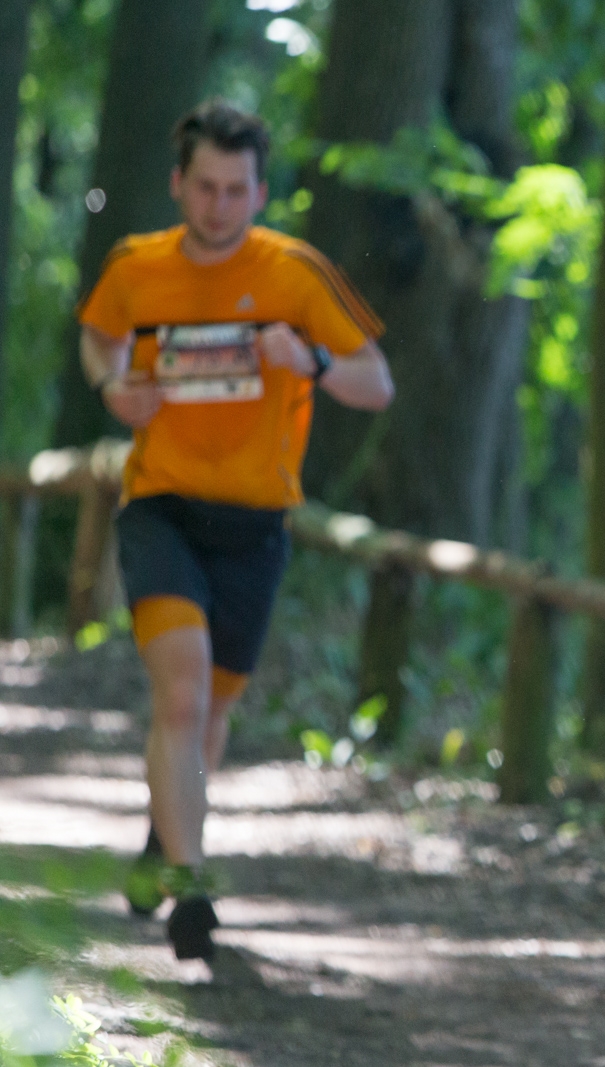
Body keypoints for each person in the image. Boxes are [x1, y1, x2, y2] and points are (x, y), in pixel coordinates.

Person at [76, 100, 394, 961]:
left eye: (237, 190)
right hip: (162, 506)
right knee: (179, 692)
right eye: (205, 188)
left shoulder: (295, 273)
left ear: (260, 192)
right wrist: (114, 388)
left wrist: (315, 361)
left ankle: (163, 836)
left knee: (210, 711)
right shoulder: (136, 267)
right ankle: (191, 889)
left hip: (255, 522)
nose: (219, 206)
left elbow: (378, 381)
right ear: (179, 185)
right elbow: (99, 337)